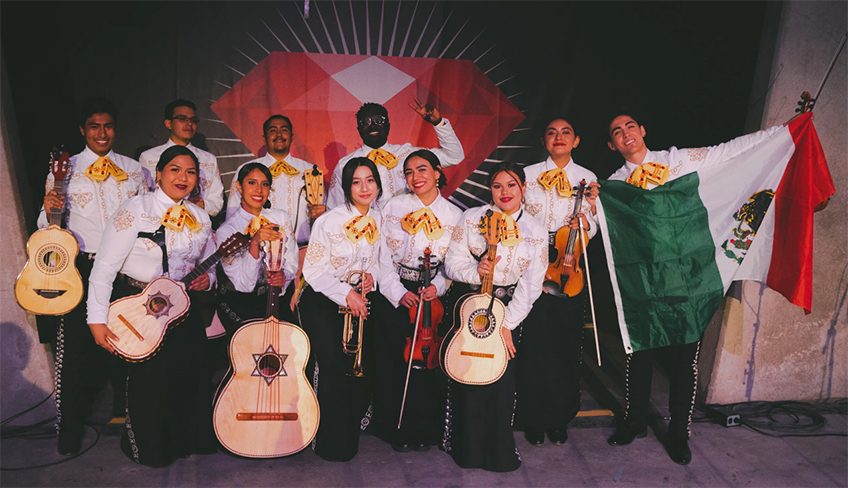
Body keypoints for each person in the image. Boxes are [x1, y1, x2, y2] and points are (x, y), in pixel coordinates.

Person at [604, 111, 783, 465]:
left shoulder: (678, 160)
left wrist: (780, 133)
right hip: (643, 283)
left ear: (642, 130)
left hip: (687, 277)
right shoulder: (613, 186)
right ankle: (635, 421)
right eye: (616, 132)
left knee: (686, 359)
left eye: (630, 127)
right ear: (611, 145)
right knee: (639, 353)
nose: (626, 134)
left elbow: (728, 152)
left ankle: (678, 433)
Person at [87, 145, 218, 466]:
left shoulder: (201, 218)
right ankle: (150, 446)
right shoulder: (135, 209)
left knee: (192, 373)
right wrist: (96, 319)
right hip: (139, 307)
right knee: (151, 381)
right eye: (175, 169)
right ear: (158, 174)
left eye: (190, 172)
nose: (182, 177)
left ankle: (186, 439)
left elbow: (208, 266)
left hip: (183, 310)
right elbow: (104, 266)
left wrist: (208, 280)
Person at [37, 97, 147, 456]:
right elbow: (46, 226)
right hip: (82, 268)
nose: (102, 133)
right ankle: (68, 429)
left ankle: (130, 420)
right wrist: (50, 210)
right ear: (83, 130)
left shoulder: (134, 170)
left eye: (108, 126)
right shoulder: (64, 170)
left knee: (129, 344)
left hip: (126, 267)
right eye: (95, 126)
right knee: (74, 351)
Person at [443, 163, 547, 472]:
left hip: (509, 309)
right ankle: (467, 451)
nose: (505, 192)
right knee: (469, 374)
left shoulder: (536, 231)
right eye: (498, 186)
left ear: (523, 188)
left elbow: (532, 285)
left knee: (501, 382)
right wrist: (474, 269)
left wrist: (506, 325)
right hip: (469, 304)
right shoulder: (472, 218)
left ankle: (498, 452)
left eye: (511, 185)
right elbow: (451, 264)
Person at [298, 157, 391, 461]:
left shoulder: (379, 219)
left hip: (359, 299)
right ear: (347, 186)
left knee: (361, 369)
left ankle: (349, 430)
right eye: (356, 181)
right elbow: (313, 270)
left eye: (370, 180)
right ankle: (328, 441)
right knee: (334, 368)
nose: (365, 187)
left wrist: (370, 278)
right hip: (325, 300)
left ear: (378, 184)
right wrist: (345, 293)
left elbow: (381, 265)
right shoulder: (329, 220)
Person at [373, 149, 463, 452]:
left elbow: (452, 264)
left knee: (428, 363)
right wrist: (397, 292)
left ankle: (427, 426)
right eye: (409, 172)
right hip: (397, 288)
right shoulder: (393, 206)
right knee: (393, 360)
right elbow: (381, 256)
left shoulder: (454, 215)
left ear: (438, 173)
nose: (415, 177)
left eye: (422, 170)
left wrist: (436, 286)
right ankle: (395, 427)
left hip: (432, 295)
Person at [517, 117, 600, 445]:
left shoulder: (587, 178)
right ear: (543, 140)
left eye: (566, 132)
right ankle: (533, 417)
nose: (559, 137)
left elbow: (595, 225)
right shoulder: (528, 174)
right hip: (536, 260)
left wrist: (585, 222)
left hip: (571, 262)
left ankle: (559, 416)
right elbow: (517, 217)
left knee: (565, 345)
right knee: (534, 343)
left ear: (576, 140)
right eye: (552, 132)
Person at [326, 101, 465, 209]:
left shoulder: (409, 154)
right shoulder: (345, 165)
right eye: (366, 122)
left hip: (408, 232)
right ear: (358, 129)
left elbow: (454, 156)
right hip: (366, 236)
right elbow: (335, 208)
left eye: (379, 120)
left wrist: (438, 123)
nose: (373, 126)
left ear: (388, 125)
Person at [216, 162, 299, 331]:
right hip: (243, 305)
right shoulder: (227, 231)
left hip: (276, 298)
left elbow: (292, 259)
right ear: (239, 187)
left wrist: (284, 276)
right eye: (251, 183)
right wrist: (254, 243)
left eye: (265, 184)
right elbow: (244, 285)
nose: (259, 190)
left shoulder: (280, 218)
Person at [138, 99, 224, 216]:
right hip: (160, 222)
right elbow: (143, 195)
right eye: (182, 119)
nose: (189, 124)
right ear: (168, 123)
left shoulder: (209, 159)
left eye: (193, 120)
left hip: (197, 223)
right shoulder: (148, 157)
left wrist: (201, 205)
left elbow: (217, 200)